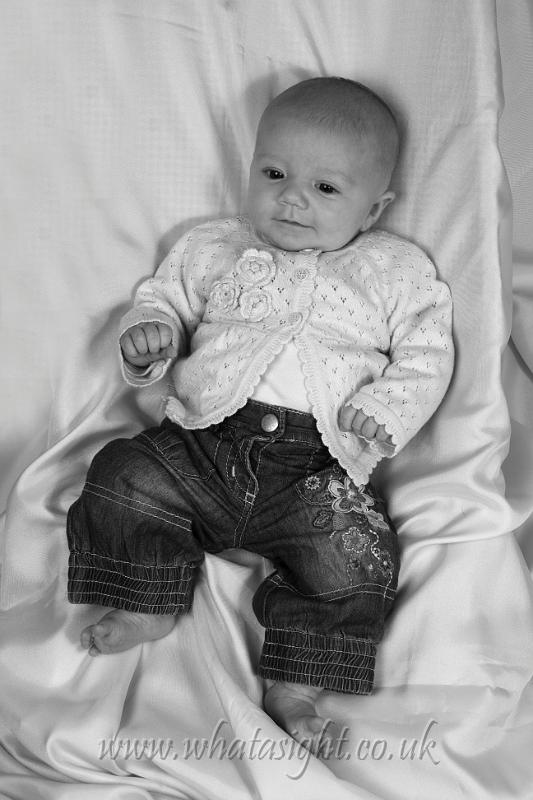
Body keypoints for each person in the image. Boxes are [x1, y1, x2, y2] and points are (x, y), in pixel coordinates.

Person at [67, 77, 454, 745]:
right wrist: (150, 335)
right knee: (123, 474)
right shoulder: (215, 246)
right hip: (201, 445)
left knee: (358, 558)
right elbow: (164, 300)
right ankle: (144, 596)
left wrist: (387, 407)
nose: (291, 197)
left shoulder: (396, 271)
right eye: (273, 173)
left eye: (325, 187)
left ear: (373, 208)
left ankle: (295, 682)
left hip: (317, 470)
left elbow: (427, 353)